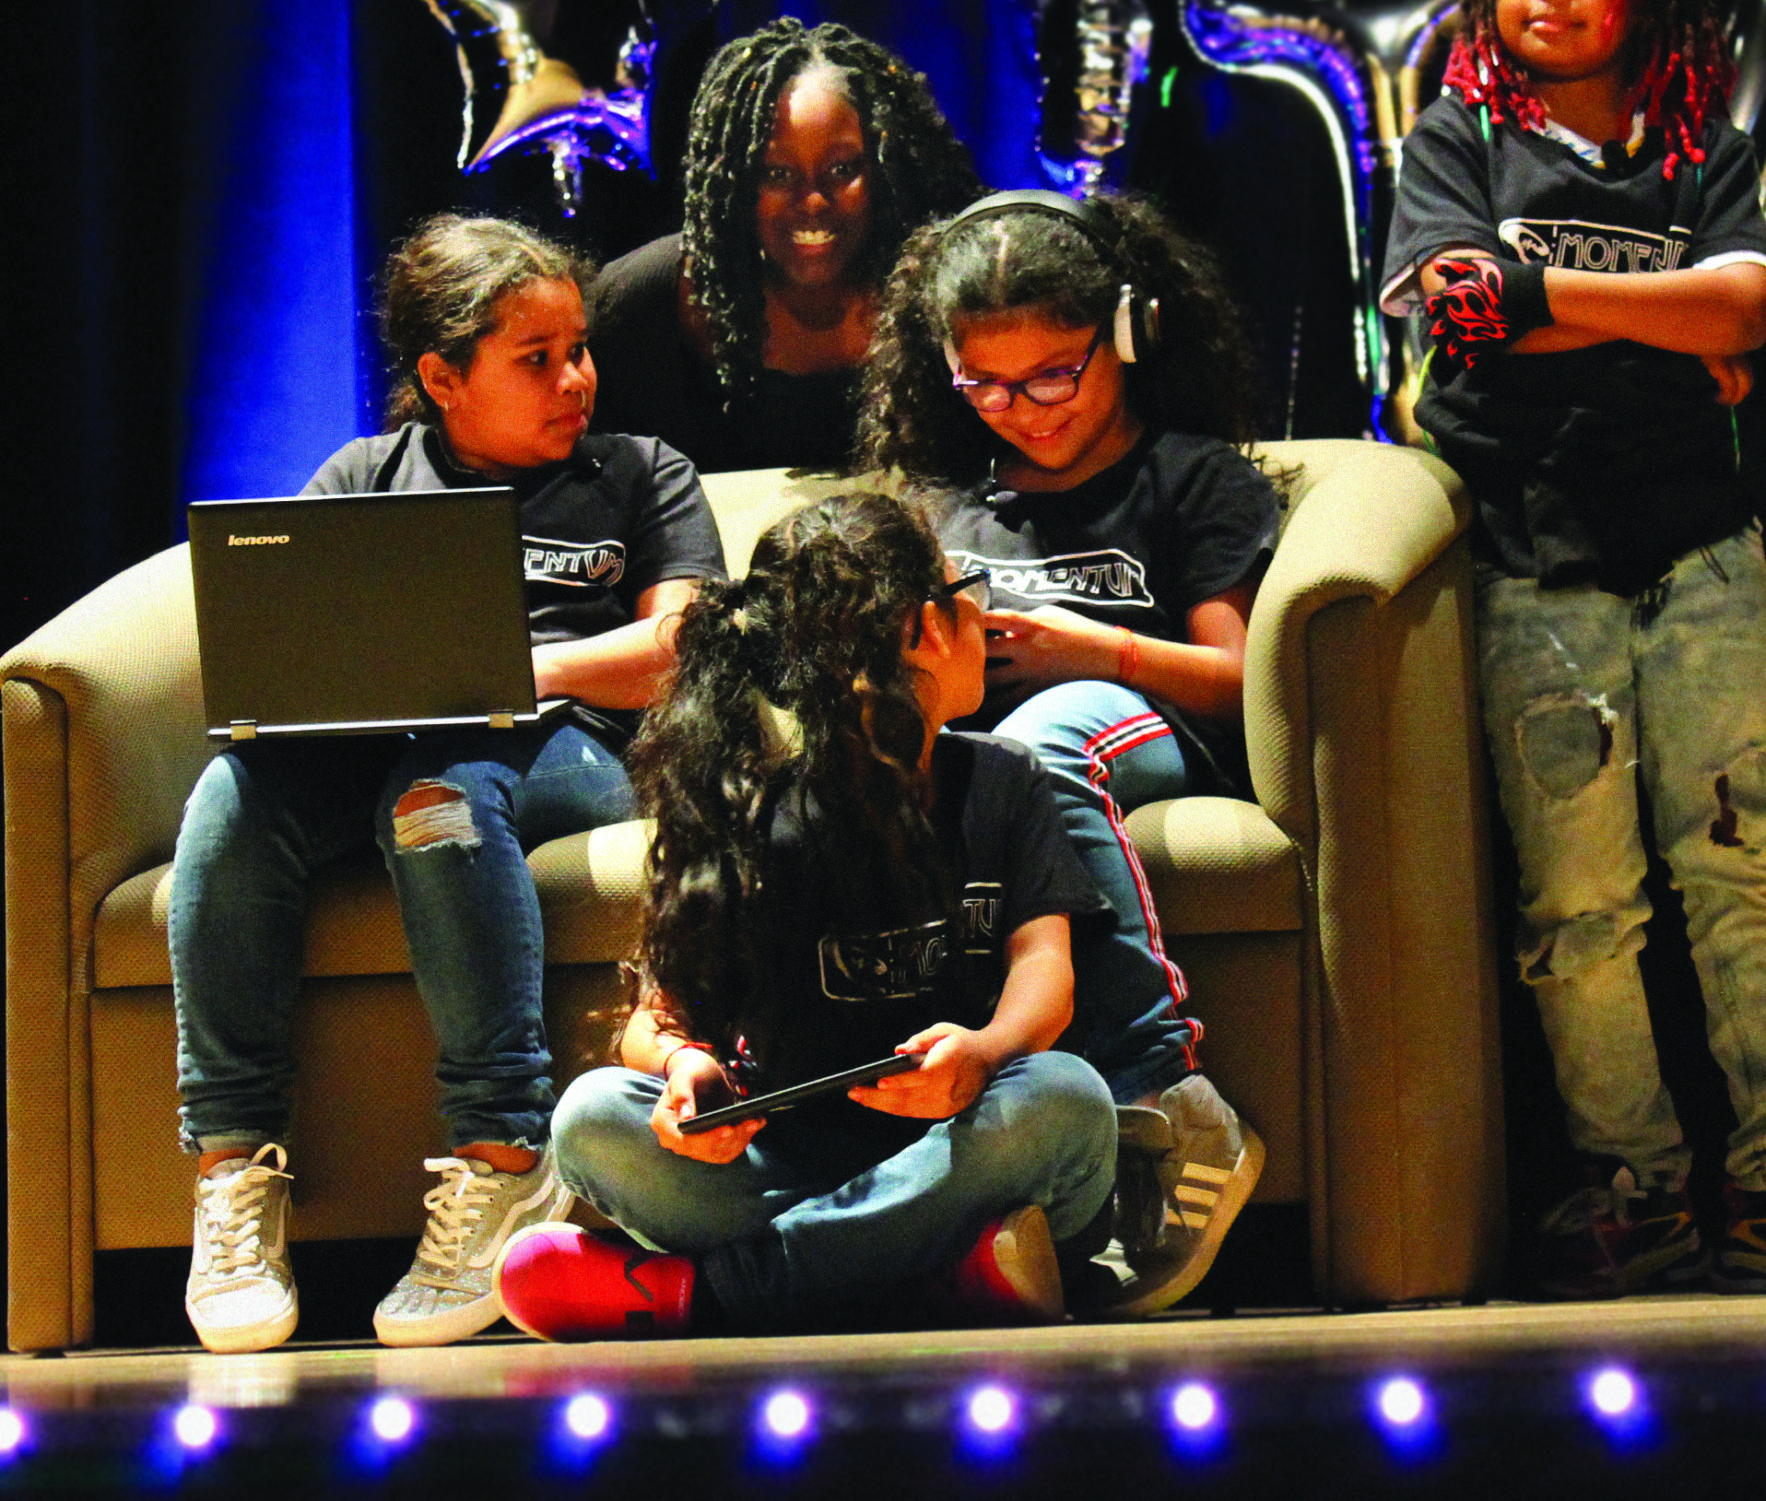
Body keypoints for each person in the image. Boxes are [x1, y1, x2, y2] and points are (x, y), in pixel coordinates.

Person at [1379, 0, 1766, 1297]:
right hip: (1531, 558)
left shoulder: (1701, 145)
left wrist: (1545, 296)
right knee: (1580, 901)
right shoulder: (1458, 140)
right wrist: (1663, 325)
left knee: (1742, 860)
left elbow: (1746, 298)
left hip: (1699, 554)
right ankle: (1630, 1181)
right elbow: (1459, 313)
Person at [173, 215, 728, 1353]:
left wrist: (514, 670)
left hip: (569, 746)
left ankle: (502, 1153)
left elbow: (681, 648)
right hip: (381, 746)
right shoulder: (362, 479)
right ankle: (232, 1171)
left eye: (579, 347)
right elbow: (298, 653)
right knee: (231, 801)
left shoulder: (638, 475)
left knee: (440, 793)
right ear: (441, 378)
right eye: (537, 359)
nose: (575, 378)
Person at [491, 494, 1118, 1338]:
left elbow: (1047, 972)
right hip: (783, 1171)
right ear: (920, 629)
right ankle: (930, 1276)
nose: (979, 605)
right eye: (962, 586)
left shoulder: (1003, 781)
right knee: (593, 1119)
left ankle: (706, 1298)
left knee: (1064, 1099)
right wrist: (685, 1075)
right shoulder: (751, 813)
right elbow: (655, 1024)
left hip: (960, 1149)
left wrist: (988, 1052)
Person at [856, 189, 1273, 1316]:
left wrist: (1097, 651)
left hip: (1139, 726)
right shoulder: (945, 505)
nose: (1022, 410)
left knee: (1036, 745)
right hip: (986, 754)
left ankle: (1171, 1093)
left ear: (1124, 337)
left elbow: (1242, 681)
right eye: (983, 384)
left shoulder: (1188, 479)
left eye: (1053, 375)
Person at [585, 18, 983, 472]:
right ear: (735, 180)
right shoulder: (641, 300)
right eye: (777, 173)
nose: (812, 201)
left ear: (885, 170)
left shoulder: (949, 296)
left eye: (841, 169)